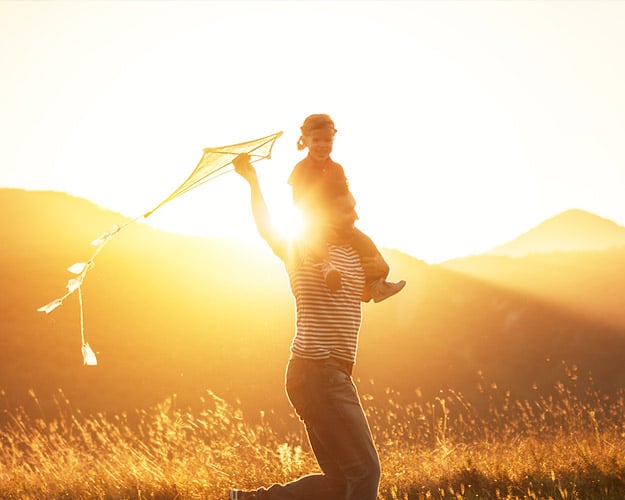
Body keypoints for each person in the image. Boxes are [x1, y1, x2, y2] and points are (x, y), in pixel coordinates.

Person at [229, 153, 388, 500]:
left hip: (327, 375)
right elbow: (268, 227)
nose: (356, 214)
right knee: (365, 470)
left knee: (340, 482)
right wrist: (254, 182)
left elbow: (363, 293)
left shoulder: (354, 254)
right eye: (348, 209)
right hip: (318, 373)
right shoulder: (303, 252)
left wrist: (378, 281)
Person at [289, 113, 405, 303]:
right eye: (316, 139)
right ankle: (326, 267)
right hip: (314, 220)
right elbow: (298, 203)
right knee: (314, 236)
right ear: (306, 140)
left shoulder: (337, 169)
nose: (322, 145)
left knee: (364, 241)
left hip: (337, 219)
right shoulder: (301, 169)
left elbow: (344, 196)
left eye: (327, 140)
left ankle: (376, 285)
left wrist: (344, 217)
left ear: (333, 139)